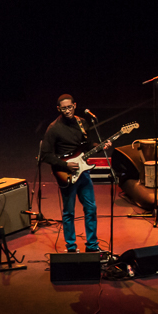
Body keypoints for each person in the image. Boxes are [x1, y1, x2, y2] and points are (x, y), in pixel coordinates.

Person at [40, 94, 109, 253]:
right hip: (66, 174)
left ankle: (92, 246)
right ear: (59, 109)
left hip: (83, 173)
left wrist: (100, 146)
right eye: (63, 108)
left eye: (69, 107)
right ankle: (71, 247)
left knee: (91, 209)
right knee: (69, 212)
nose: (67, 111)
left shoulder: (82, 122)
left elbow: (87, 145)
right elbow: (45, 155)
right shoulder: (54, 128)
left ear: (75, 105)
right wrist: (64, 165)